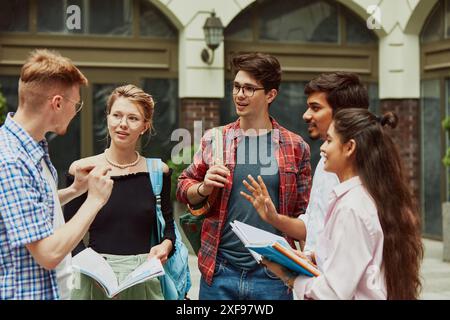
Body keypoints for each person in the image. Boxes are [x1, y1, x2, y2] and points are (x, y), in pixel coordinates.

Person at [242, 108, 424, 299]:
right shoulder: (365, 196)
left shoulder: (351, 207)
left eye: (329, 141)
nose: (322, 148)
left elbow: (334, 292)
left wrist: (288, 275)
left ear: (349, 147)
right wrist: (311, 258)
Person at [177, 53, 311, 300]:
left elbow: (306, 215)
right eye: (237, 87)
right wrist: (204, 188)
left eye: (249, 89)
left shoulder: (295, 146)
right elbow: (183, 187)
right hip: (220, 272)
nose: (240, 94)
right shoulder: (215, 139)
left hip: (273, 274)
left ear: (270, 95)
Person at [0, 49, 114, 300]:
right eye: (77, 104)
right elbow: (48, 253)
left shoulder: (32, 148)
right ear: (58, 103)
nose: (76, 112)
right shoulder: (10, 160)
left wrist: (76, 190)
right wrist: (94, 200)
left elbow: (34, 207)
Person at [64, 84, 176, 300]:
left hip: (142, 278)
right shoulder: (83, 170)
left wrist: (165, 246)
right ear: (107, 118)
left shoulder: (157, 171)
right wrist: (95, 271)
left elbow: (168, 227)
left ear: (145, 126)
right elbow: (69, 231)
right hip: (93, 278)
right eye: (117, 115)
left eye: (133, 118)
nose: (123, 124)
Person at [252, 72, 369, 253]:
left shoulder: (359, 169)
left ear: (344, 114)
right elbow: (314, 226)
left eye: (315, 108)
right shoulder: (326, 160)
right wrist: (274, 218)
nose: (306, 115)